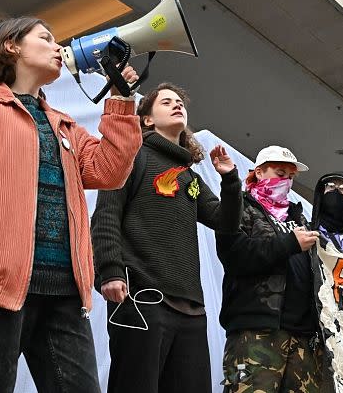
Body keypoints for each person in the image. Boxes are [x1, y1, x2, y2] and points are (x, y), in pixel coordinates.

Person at [0, 17, 142, 392]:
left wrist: (121, 98)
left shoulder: (64, 126)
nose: (56, 47)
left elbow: (109, 171)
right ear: (11, 46)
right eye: (45, 38)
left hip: (65, 292)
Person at [91, 83, 243, 392]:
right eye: (166, 102)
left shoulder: (189, 175)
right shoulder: (132, 156)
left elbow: (225, 221)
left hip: (191, 310)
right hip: (141, 298)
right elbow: (106, 214)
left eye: (180, 103)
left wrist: (230, 179)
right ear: (146, 119)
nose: (177, 106)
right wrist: (110, 270)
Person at [216, 146, 322, 392]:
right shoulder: (240, 206)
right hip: (254, 334)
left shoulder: (301, 219)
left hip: (302, 338)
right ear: (260, 172)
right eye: (280, 173)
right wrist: (290, 243)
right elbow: (235, 255)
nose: (286, 181)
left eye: (291, 177)